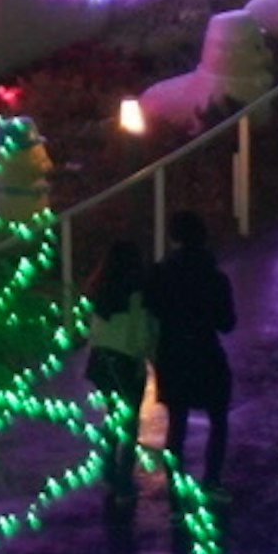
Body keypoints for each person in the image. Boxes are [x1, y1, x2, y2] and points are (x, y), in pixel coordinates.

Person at [147, 211, 235, 483]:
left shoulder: (162, 275)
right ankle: (211, 480)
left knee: (177, 423)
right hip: (206, 353)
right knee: (218, 420)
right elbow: (227, 323)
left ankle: (175, 486)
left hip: (172, 355)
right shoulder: (216, 278)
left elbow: (152, 310)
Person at [82, 239, 156, 493]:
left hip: (102, 360)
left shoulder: (100, 289)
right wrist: (147, 359)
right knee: (131, 421)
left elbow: (93, 330)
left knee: (112, 415)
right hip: (126, 361)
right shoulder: (137, 294)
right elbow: (141, 334)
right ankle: (125, 474)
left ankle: (108, 464)